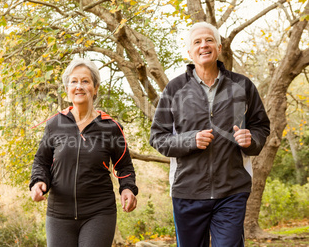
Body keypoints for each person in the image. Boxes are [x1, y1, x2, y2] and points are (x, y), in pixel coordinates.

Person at [150, 22, 270, 247]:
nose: (203, 45)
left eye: (209, 40)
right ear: (189, 52)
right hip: (188, 191)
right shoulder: (174, 89)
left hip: (232, 190)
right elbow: (158, 137)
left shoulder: (242, 85)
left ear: (219, 47)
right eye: (197, 42)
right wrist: (190, 140)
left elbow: (261, 126)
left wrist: (251, 140)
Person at [29, 58, 138, 247]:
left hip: (99, 213)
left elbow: (124, 166)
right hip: (59, 213)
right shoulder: (55, 124)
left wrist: (127, 188)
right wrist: (38, 182)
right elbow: (41, 162)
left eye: (85, 81)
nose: (79, 86)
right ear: (67, 89)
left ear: (95, 88)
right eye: (74, 81)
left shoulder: (111, 127)